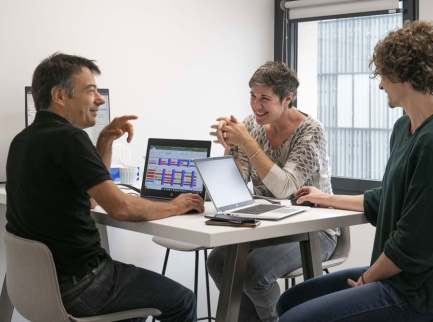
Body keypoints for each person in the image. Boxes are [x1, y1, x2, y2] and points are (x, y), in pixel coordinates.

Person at [276, 20, 433, 322]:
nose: (379, 84)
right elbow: (388, 198)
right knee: (289, 301)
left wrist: (367, 279)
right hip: (396, 279)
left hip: (418, 295)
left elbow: (418, 243)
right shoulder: (405, 127)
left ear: (403, 75)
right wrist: (324, 198)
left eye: (383, 76)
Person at [5, 53, 204, 321]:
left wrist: (106, 139)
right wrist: (176, 205)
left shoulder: (22, 141)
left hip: (40, 286)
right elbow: (120, 208)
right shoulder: (70, 139)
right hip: (83, 285)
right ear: (60, 96)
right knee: (183, 300)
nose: (100, 99)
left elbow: (88, 200)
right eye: (91, 91)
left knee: (134, 311)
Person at [207, 61, 339, 321]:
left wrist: (246, 141)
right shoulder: (251, 126)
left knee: (255, 272)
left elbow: (285, 188)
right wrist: (230, 147)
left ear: (287, 98)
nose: (256, 105)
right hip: (265, 224)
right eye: (253, 96)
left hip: (315, 230)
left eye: (265, 98)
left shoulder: (311, 132)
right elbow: (232, 187)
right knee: (218, 262)